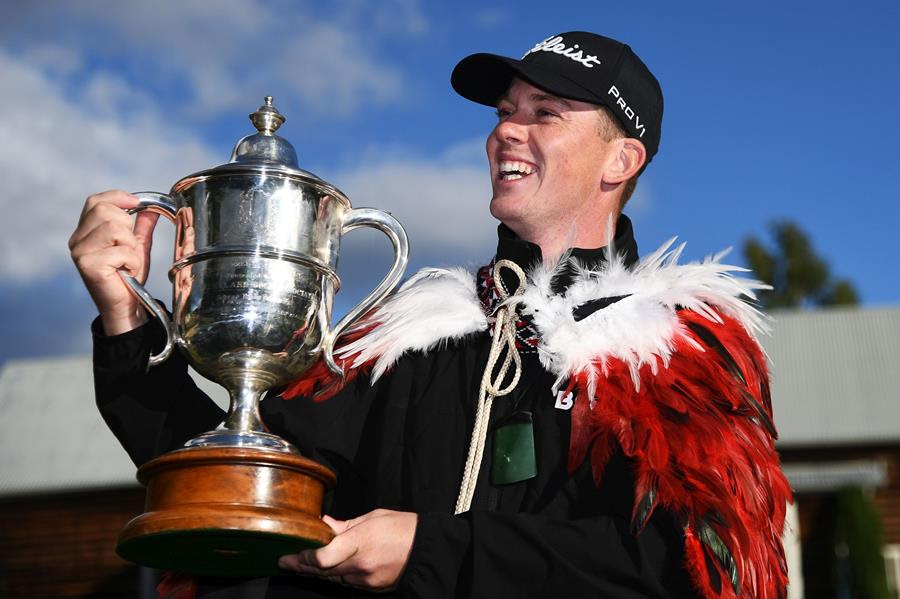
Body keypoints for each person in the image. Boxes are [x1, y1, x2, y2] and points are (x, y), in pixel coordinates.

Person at [70, 31, 791, 599]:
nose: (508, 130)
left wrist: (427, 549)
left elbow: (695, 569)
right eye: (506, 111)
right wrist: (122, 316)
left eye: (546, 114)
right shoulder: (407, 338)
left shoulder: (676, 348)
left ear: (621, 161)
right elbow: (234, 483)